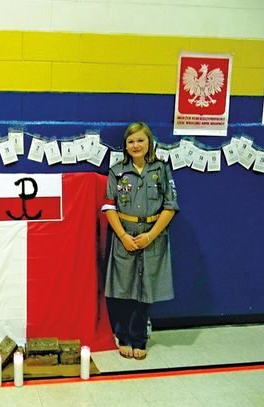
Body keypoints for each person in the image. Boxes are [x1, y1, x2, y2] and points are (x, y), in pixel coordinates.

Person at [102, 122, 179, 360]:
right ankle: (123, 335)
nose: (136, 145)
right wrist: (124, 236)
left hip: (153, 237)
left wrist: (150, 236)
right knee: (123, 288)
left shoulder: (162, 169)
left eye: (140, 140)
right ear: (125, 146)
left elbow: (170, 206)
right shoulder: (116, 171)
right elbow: (108, 206)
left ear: (149, 142)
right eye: (131, 141)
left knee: (147, 289)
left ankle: (139, 337)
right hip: (124, 236)